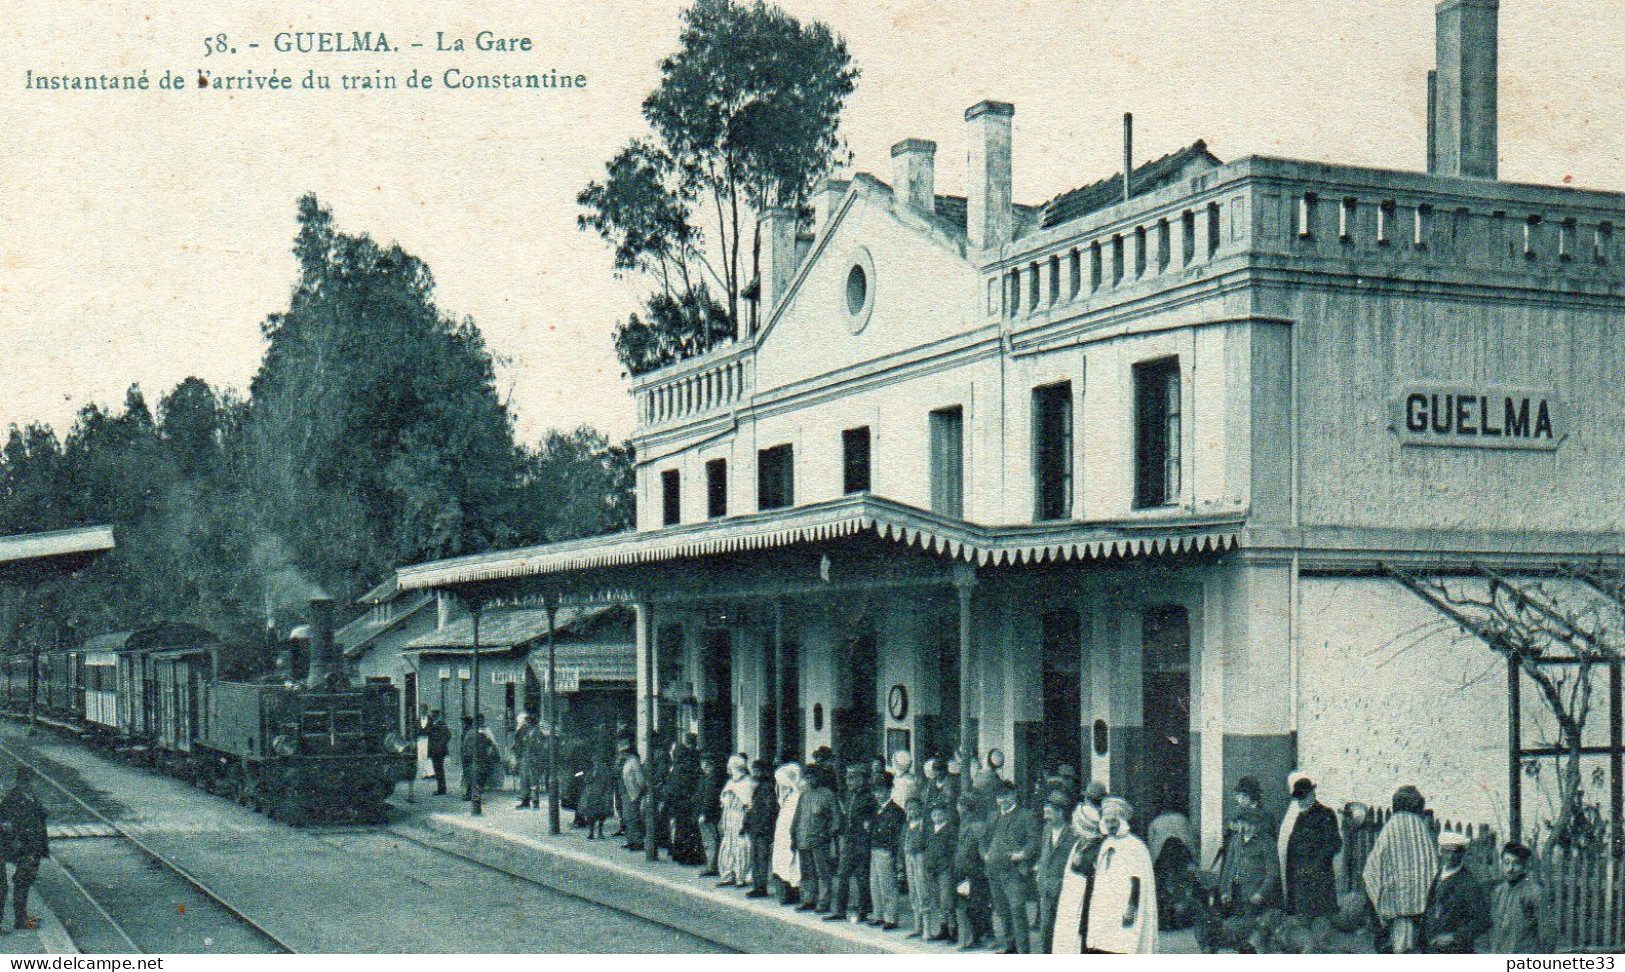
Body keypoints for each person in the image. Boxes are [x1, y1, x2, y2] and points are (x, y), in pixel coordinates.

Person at [1363, 785, 1440, 953]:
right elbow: (1432, 867)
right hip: (1419, 907)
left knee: (1399, 947)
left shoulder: (1390, 828)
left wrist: (1380, 894)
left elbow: (1372, 869)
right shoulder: (1421, 830)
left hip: (1394, 907)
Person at [1085, 796, 1158, 954]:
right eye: (1108, 821)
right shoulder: (1107, 844)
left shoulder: (1134, 846)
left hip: (1123, 908)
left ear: (1121, 821)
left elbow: (1137, 880)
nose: (1110, 825)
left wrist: (1131, 907)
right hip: (1106, 908)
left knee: (1123, 946)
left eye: (1114, 821)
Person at [1200, 808, 1278, 952]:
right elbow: (1228, 868)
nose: (1251, 828)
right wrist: (1225, 891)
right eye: (1247, 824)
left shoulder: (1267, 843)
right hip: (1235, 893)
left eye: (1255, 824)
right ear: (1241, 823)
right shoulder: (1235, 840)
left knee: (1250, 930)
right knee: (1233, 927)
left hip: (1254, 894)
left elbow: (1272, 873)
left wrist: (1261, 893)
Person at [982, 779, 1040, 952]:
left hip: (1014, 871)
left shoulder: (1026, 815)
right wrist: (985, 854)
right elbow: (984, 839)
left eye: (1006, 795)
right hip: (995, 870)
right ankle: (1010, 946)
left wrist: (1022, 854)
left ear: (1014, 795)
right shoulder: (993, 816)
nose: (1003, 800)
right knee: (1002, 910)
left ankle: (1023, 951)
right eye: (1000, 797)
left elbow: (1034, 840)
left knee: (1017, 910)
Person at [1280, 772, 1341, 918]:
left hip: (1318, 880)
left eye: (1303, 797)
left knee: (1319, 921)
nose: (1300, 802)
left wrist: (1315, 866)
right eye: (1298, 799)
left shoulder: (1326, 814)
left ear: (1312, 794)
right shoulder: (1300, 817)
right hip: (1299, 881)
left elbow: (1334, 843)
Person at [1424, 830, 1490, 953]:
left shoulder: (1468, 883)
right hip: (1432, 947)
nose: (1450, 856)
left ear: (1463, 853)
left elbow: (1482, 920)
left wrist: (1454, 937)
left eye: (1455, 852)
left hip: (1455, 950)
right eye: (1447, 851)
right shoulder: (1439, 875)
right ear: (1441, 852)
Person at [1051, 801, 1103, 954]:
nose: (1073, 826)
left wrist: (1079, 864)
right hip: (1072, 900)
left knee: (1084, 938)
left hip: (1086, 901)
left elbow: (1093, 874)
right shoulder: (1080, 844)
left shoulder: (1096, 846)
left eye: (1076, 823)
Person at [826, 764, 874, 923]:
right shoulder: (848, 796)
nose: (849, 782)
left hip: (861, 841)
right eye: (848, 779)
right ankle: (840, 910)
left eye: (853, 778)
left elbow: (868, 822)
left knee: (862, 876)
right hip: (849, 840)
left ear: (861, 779)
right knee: (842, 875)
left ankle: (864, 910)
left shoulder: (868, 797)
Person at [0, 768, 47, 932]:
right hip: (23, 847)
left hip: (31, 846)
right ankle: (20, 920)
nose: (33, 785)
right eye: (30, 781)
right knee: (22, 881)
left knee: (25, 881)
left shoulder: (28, 797)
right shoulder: (13, 799)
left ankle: (23, 916)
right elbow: (13, 826)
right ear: (22, 782)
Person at [1036, 789, 1079, 952]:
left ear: (1060, 812)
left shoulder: (1073, 833)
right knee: (1046, 930)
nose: (1045, 816)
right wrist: (1040, 869)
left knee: (1064, 930)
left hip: (1064, 888)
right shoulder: (1047, 829)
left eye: (1048, 812)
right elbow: (1044, 853)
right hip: (1046, 887)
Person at [1489, 841, 1551, 953]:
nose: (1510, 869)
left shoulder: (1535, 893)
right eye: (1506, 863)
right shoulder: (1499, 891)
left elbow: (1548, 933)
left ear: (1524, 866)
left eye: (1516, 863)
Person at [794, 763, 838, 912]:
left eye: (812, 777)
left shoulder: (827, 794)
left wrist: (828, 834)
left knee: (822, 873)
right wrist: (793, 835)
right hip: (803, 839)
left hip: (819, 840)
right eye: (807, 777)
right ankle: (808, 899)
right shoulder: (804, 795)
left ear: (819, 777)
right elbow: (797, 817)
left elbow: (836, 818)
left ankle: (823, 902)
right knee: (807, 872)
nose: (810, 780)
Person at [952, 792, 992, 950]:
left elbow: (982, 851)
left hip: (974, 872)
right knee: (965, 905)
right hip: (963, 870)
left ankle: (972, 939)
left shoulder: (977, 826)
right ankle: (969, 938)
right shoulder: (964, 824)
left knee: (972, 906)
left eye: (961, 805)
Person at [1148, 810, 1200, 930]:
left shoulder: (1155, 822)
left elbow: (1152, 843)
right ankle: (1181, 919)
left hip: (1163, 859)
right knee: (1181, 888)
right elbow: (1191, 841)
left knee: (1164, 888)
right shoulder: (1183, 819)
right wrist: (1194, 859)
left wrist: (1151, 863)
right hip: (1181, 857)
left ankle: (1166, 921)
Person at [716, 754, 755, 887]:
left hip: (740, 817)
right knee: (728, 845)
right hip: (729, 817)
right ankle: (728, 873)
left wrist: (745, 821)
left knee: (741, 846)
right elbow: (724, 801)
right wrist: (723, 819)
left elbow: (748, 805)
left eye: (731, 767)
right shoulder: (730, 782)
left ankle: (741, 876)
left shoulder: (747, 783)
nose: (729, 770)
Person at [743, 758, 778, 898]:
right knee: (756, 857)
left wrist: (762, 826)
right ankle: (757, 885)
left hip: (762, 829)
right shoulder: (759, 787)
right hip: (756, 827)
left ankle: (760, 886)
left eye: (757, 770)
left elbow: (769, 811)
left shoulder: (767, 788)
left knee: (761, 858)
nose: (754, 773)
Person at [924, 800, 958, 942]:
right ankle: (942, 928)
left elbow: (953, 851)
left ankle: (953, 930)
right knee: (937, 900)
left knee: (947, 900)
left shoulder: (950, 830)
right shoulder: (930, 830)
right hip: (932, 870)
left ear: (946, 814)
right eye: (934, 814)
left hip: (945, 869)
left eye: (939, 813)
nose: (936, 817)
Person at [771, 762, 804, 905]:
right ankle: (786, 891)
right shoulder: (787, 796)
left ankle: (793, 892)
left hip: (791, 835)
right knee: (782, 863)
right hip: (782, 836)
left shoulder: (798, 797)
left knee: (793, 863)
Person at [903, 796, 933, 938]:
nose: (912, 811)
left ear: (921, 809)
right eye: (909, 808)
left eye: (914, 808)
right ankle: (917, 926)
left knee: (922, 890)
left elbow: (928, 843)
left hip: (920, 858)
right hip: (908, 858)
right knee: (913, 890)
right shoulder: (907, 825)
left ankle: (927, 929)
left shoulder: (925, 825)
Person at [695, 751, 725, 876]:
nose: (702, 766)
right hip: (710, 814)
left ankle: (712, 866)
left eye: (703, 763)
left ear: (707, 764)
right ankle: (712, 865)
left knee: (710, 840)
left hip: (709, 815)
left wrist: (704, 814)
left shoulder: (711, 779)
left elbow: (710, 798)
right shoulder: (710, 777)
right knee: (711, 840)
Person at [617, 738, 647, 851]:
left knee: (633, 817)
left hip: (633, 793)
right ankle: (630, 840)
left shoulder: (634, 761)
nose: (621, 754)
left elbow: (640, 779)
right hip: (627, 792)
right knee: (627, 818)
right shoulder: (626, 761)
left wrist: (641, 791)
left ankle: (637, 841)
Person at [577, 754, 613, 838]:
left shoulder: (605, 770)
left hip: (601, 794)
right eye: (595, 761)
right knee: (591, 813)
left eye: (598, 761)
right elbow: (586, 779)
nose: (597, 763)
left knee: (601, 813)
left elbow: (608, 782)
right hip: (592, 794)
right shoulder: (591, 770)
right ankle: (592, 832)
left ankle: (599, 832)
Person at [512, 712, 539, 809]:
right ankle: (530, 801)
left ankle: (530, 801)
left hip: (529, 757)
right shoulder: (529, 730)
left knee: (529, 780)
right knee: (528, 780)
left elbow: (518, 745)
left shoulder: (530, 731)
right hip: (528, 757)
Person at [424, 709, 450, 795]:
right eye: (432, 714)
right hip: (434, 751)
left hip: (438, 751)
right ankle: (441, 789)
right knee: (438, 770)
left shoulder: (441, 724)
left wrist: (440, 746)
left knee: (439, 770)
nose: (433, 716)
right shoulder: (432, 724)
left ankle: (441, 790)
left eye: (434, 714)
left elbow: (447, 736)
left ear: (437, 715)